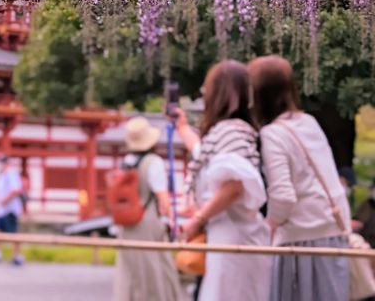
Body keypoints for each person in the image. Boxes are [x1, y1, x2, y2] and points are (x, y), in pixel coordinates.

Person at [248, 55, 350, 301]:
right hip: (333, 233)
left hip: (301, 241)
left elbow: (283, 196)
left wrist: (267, 228)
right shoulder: (308, 122)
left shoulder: (273, 134)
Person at [177, 60, 271, 301]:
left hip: (234, 236)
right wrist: (183, 129)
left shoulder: (231, 130)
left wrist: (198, 220)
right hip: (231, 234)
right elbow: (206, 157)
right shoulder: (230, 131)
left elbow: (234, 186)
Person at [113, 116, 186, 301]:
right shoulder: (153, 162)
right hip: (146, 219)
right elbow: (162, 196)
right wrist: (172, 219)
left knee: (129, 267)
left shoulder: (126, 162)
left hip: (127, 221)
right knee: (155, 265)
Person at [0, 154, 24, 265]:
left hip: (10, 209)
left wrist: (4, 201)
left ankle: (17, 256)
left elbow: (15, 190)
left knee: (13, 234)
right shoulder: (1, 174)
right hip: (1, 210)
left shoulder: (11, 173)